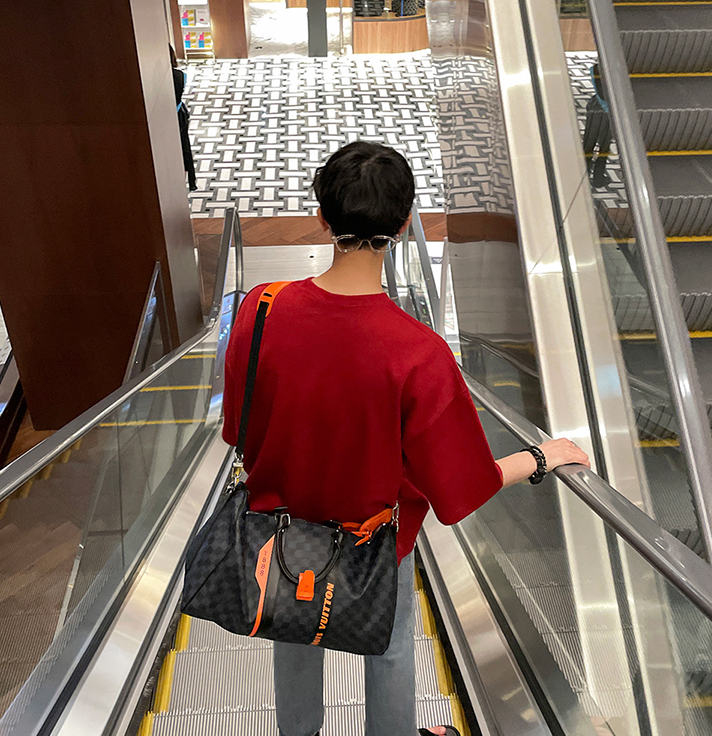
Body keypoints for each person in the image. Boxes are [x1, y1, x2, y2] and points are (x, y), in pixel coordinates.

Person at [222, 141, 590, 736]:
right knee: (388, 649)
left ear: (323, 217)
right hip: (375, 545)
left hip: (282, 532)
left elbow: (237, 427)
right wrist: (540, 457)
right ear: (403, 222)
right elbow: (461, 485)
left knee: (289, 632)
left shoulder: (261, 312)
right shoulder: (419, 354)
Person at [169, 45, 197, 192]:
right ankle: (189, 181)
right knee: (184, 148)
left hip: (172, 118)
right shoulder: (179, 75)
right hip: (180, 115)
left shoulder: (171, 77)